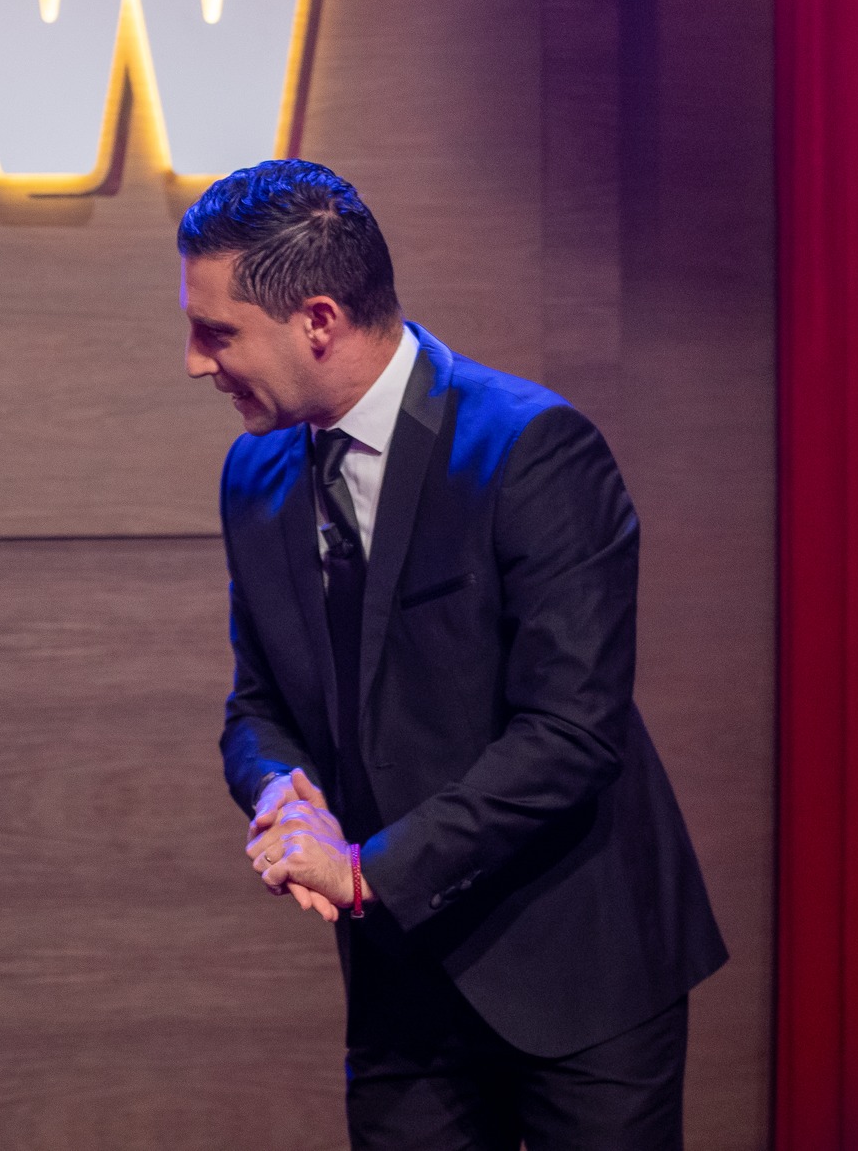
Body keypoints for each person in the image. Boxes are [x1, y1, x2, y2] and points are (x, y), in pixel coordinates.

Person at [181, 161, 727, 1150]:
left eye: (216, 332)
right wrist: (280, 794)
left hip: (579, 966)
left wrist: (365, 872)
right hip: (403, 985)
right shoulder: (254, 474)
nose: (194, 361)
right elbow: (255, 707)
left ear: (316, 320)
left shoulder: (531, 450)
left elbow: (571, 734)